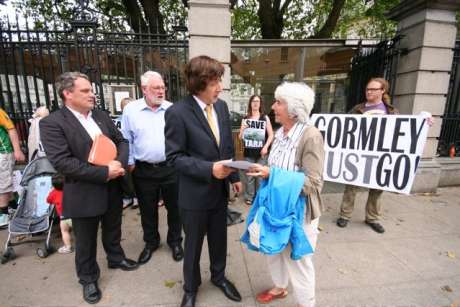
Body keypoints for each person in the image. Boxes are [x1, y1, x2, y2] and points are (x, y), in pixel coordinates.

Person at [39, 72, 138, 304]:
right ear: (67, 94)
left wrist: (118, 164)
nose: (92, 94)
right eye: (85, 91)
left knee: (113, 229)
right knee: (85, 241)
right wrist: (105, 172)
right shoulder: (52, 123)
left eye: (91, 90)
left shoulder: (101, 116)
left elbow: (122, 141)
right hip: (83, 192)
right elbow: (64, 163)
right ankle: (88, 278)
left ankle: (115, 257)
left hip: (113, 187)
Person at [165, 55, 242, 307]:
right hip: (194, 196)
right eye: (214, 82)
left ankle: (219, 277)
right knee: (194, 246)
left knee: (219, 241)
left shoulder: (220, 107)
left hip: (219, 193)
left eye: (220, 80)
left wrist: (234, 176)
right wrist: (209, 169)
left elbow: (227, 146)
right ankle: (190, 288)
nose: (220, 87)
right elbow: (174, 158)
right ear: (198, 83)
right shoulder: (177, 113)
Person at [247, 82, 324, 307]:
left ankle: (306, 303)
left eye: (279, 102)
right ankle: (280, 288)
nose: (273, 106)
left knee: (299, 261)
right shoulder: (280, 133)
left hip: (299, 212)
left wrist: (272, 173)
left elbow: (313, 182)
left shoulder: (311, 136)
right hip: (274, 206)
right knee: (273, 251)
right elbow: (277, 169)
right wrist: (264, 174)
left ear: (293, 109)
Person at [121, 71, 183, 264]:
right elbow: (125, 138)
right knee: (147, 210)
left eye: (163, 87)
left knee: (175, 208)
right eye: (156, 88)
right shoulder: (131, 110)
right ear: (144, 89)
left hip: (171, 168)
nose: (161, 91)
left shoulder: (172, 109)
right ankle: (151, 243)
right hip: (143, 170)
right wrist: (130, 162)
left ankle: (175, 241)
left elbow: (180, 139)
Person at [336, 77, 398, 234]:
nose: (369, 92)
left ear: (382, 90)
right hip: (358, 154)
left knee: (377, 188)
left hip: (380, 155)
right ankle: (345, 215)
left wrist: (425, 120)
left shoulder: (391, 111)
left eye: (373, 89)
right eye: (367, 89)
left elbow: (403, 130)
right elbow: (344, 125)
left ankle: (372, 218)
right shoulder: (358, 109)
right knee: (351, 186)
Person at [238, 95, 273, 205]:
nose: (255, 103)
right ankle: (249, 196)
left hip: (262, 152)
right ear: (250, 103)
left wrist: (266, 147)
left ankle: (260, 197)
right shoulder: (245, 118)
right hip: (249, 151)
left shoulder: (265, 118)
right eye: (253, 101)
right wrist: (242, 130)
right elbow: (240, 137)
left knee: (260, 176)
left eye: (257, 101)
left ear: (260, 104)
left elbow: (271, 135)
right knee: (250, 176)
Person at [0, 107, 25, 228]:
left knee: (3, 183)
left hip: (3, 152)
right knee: (4, 182)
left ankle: (3, 215)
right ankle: (14, 207)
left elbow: (11, 129)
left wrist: (17, 150)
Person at [117, 97, 138, 210]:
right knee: (124, 177)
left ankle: (135, 196)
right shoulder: (117, 121)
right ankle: (127, 197)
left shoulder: (138, 119)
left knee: (135, 177)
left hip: (136, 153)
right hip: (123, 153)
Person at [46, 174, 73, 254]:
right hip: (74, 215)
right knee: (79, 232)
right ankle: (83, 245)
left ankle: (68, 247)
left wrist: (52, 191)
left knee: (64, 231)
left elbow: (48, 200)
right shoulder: (70, 189)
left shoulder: (54, 193)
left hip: (63, 217)